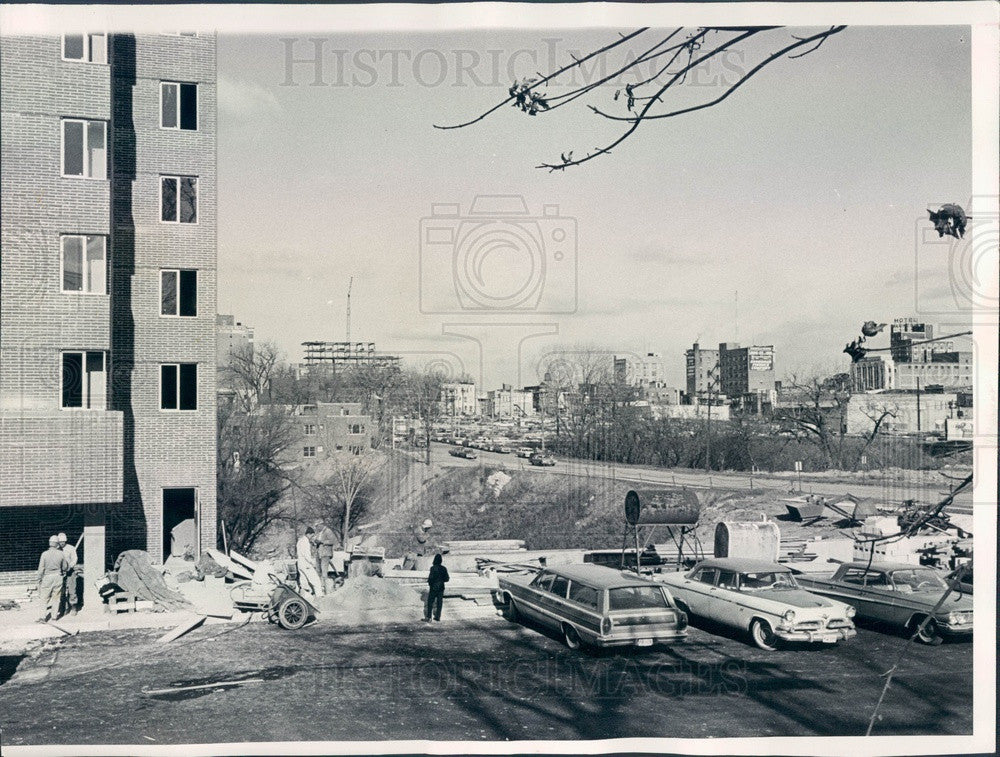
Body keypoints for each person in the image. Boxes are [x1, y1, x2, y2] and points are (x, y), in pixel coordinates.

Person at [36, 535, 68, 623]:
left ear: (50, 543)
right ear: (57, 544)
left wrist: (39, 579)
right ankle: (54, 617)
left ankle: (42, 617)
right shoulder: (61, 554)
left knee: (44, 598)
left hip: (47, 577)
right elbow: (65, 567)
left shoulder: (44, 554)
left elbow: (41, 568)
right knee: (56, 598)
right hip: (58, 577)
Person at [296, 527, 323, 598]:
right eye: (312, 535)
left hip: (300, 563)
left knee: (304, 583)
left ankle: (305, 598)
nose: (312, 537)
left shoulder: (299, 541)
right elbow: (307, 555)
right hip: (306, 564)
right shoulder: (306, 542)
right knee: (316, 581)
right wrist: (312, 563)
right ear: (308, 534)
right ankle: (320, 597)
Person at [57, 533, 79, 615]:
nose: (61, 543)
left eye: (63, 541)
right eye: (60, 542)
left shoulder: (71, 548)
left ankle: (73, 607)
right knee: (61, 591)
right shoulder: (57, 550)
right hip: (60, 573)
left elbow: (75, 559)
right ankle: (64, 607)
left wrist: (70, 566)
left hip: (70, 572)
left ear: (65, 541)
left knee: (72, 590)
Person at [423, 553, 449, 623]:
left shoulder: (433, 568)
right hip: (441, 587)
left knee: (430, 602)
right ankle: (438, 616)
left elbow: (430, 578)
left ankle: (429, 617)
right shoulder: (444, 568)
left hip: (433, 587)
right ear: (441, 560)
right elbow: (447, 579)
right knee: (439, 602)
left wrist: (430, 583)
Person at [315, 523, 337, 594]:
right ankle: (319, 587)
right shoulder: (319, 533)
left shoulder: (328, 531)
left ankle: (325, 588)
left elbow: (332, 541)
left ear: (321, 525)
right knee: (318, 570)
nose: (316, 528)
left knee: (324, 571)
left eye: (317, 526)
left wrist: (322, 542)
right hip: (319, 553)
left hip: (325, 553)